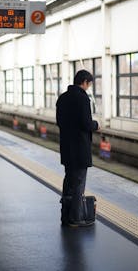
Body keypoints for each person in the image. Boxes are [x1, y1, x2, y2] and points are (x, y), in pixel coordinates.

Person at [56, 69, 99, 227]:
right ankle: (76, 218)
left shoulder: (62, 98)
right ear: (85, 82)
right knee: (79, 185)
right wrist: (96, 125)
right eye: (89, 84)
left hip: (67, 149)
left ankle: (65, 216)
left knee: (68, 182)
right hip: (80, 150)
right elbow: (86, 124)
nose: (88, 88)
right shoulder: (82, 99)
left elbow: (60, 122)